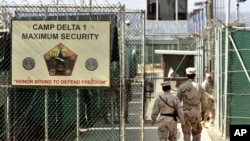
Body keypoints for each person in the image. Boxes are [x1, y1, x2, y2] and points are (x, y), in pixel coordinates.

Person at [176, 67, 207, 141]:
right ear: (195, 75)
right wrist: (203, 113)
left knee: (186, 133)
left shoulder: (182, 87)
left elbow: (177, 102)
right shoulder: (200, 87)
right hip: (196, 112)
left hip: (185, 113)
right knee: (197, 133)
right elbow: (204, 102)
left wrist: (177, 114)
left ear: (186, 75)